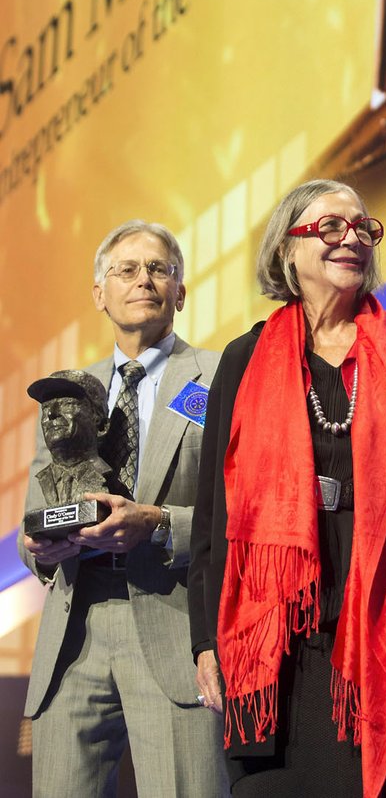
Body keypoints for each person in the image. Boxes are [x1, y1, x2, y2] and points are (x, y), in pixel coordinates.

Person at [188, 179, 386, 798]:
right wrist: (207, 641)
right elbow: (216, 514)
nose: (352, 239)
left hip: (380, 641)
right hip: (272, 651)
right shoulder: (244, 358)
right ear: (287, 251)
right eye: (330, 227)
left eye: (363, 228)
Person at [18, 220, 228, 798]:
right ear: (98, 293)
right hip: (74, 629)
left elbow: (243, 510)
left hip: (175, 617)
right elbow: (35, 515)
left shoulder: (220, 378)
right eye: (127, 269)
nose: (144, 280)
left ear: (181, 292)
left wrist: (158, 526)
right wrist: (38, 546)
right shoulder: (67, 392)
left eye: (159, 269)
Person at [26, 370, 113, 509]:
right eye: (46, 407)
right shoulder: (42, 481)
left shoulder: (108, 479)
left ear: (101, 425)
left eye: (67, 403)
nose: (51, 413)